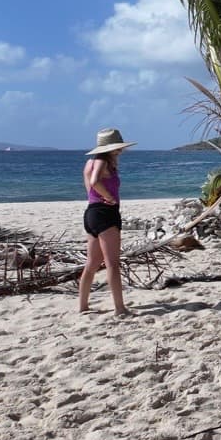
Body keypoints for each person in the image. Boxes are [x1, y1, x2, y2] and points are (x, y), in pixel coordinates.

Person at [78, 128, 137, 316]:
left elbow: (89, 187)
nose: (120, 150)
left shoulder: (90, 162)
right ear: (109, 148)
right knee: (112, 263)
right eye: (117, 147)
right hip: (105, 214)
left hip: (92, 213)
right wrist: (109, 196)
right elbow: (95, 182)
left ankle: (83, 306)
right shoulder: (102, 161)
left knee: (92, 263)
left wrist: (102, 196)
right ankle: (120, 308)